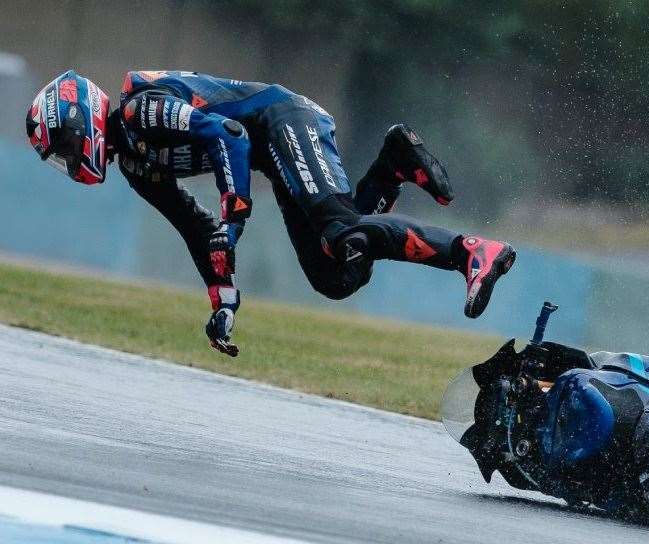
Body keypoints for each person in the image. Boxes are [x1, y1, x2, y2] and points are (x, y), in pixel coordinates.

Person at [25, 70, 516, 356]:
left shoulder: (140, 111)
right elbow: (195, 231)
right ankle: (392, 165)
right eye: (60, 157)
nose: (70, 160)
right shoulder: (135, 164)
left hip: (282, 120)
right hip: (272, 154)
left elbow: (229, 136)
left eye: (65, 145)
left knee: (340, 230)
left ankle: (469, 251)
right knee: (336, 273)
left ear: (81, 118)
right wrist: (224, 301)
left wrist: (234, 219)